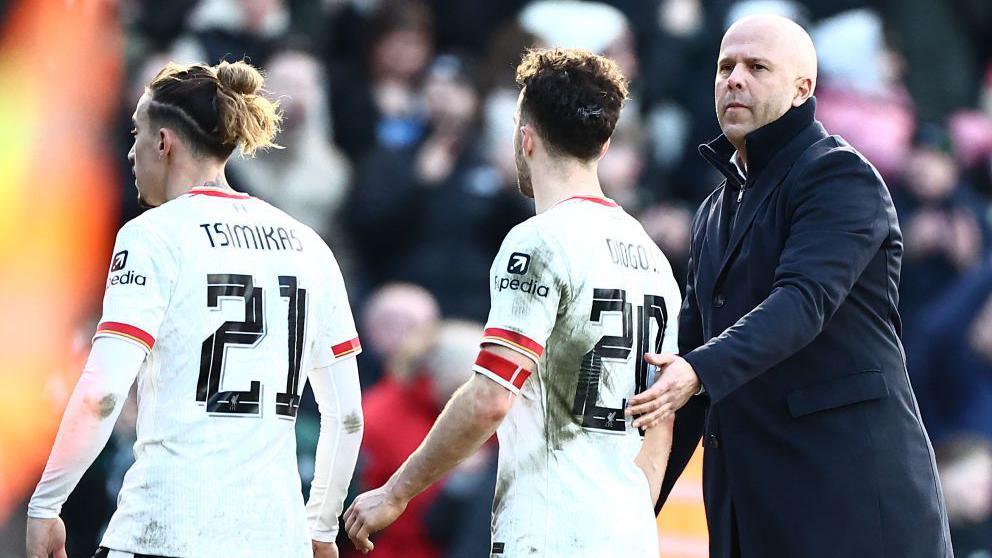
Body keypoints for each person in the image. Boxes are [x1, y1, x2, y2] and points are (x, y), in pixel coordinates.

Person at [625, 15, 952, 557]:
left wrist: (698, 370)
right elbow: (685, 374)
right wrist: (628, 514)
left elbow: (802, 302)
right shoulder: (713, 210)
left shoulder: (839, 176)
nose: (734, 79)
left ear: (803, 89)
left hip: (853, 509)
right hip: (755, 514)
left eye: (757, 67)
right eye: (725, 67)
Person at [344, 47, 682, 557]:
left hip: (549, 530)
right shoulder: (652, 258)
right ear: (604, 146)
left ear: (526, 138)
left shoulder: (539, 240)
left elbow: (491, 397)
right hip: (628, 535)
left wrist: (395, 493)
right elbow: (661, 416)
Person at [26, 60, 363, 558]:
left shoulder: (152, 236)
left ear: (164, 142)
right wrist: (320, 526)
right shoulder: (309, 245)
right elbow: (348, 416)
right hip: (274, 539)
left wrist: (46, 505)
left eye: (136, 133)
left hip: (167, 529)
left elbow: (101, 394)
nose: (130, 151)